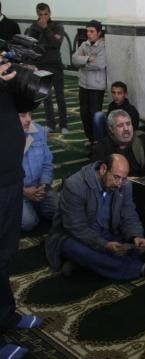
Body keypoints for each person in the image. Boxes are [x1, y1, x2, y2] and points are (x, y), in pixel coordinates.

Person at [45, 154, 145, 282]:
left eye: (123, 179)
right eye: (116, 177)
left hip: (107, 233)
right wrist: (104, 245)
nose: (119, 184)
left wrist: (136, 236)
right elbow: (76, 227)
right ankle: (139, 268)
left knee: (131, 246)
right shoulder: (74, 185)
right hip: (75, 236)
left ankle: (80, 263)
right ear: (103, 169)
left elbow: (129, 215)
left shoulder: (124, 185)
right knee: (79, 250)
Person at [0, 62, 44, 359]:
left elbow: (25, 105)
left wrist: (25, 80)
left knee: (5, 254)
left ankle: (6, 315)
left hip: (10, 177)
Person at [25, 2, 68, 134]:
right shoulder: (33, 28)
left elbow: (56, 43)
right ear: (37, 14)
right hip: (41, 66)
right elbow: (31, 47)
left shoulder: (57, 26)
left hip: (55, 66)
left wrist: (46, 29)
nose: (43, 17)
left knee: (60, 96)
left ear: (50, 13)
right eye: (41, 14)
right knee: (46, 96)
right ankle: (51, 124)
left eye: (46, 14)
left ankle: (63, 125)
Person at [91, 109, 145, 177]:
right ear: (111, 129)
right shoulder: (103, 146)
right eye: (120, 125)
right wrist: (125, 180)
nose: (126, 129)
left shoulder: (141, 138)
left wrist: (141, 180)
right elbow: (96, 172)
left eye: (128, 124)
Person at [20, 111, 58, 231]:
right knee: (28, 223)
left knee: (60, 211)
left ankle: (33, 207)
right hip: (16, 192)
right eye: (23, 115)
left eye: (29, 114)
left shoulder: (39, 130)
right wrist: (23, 191)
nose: (29, 119)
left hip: (40, 187)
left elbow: (47, 163)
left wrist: (44, 184)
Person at [71, 19, 106, 144]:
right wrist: (87, 59)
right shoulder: (84, 45)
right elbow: (74, 59)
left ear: (99, 33)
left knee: (94, 116)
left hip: (96, 87)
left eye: (92, 31)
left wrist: (82, 64)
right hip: (83, 85)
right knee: (84, 115)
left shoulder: (103, 46)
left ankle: (98, 141)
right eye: (87, 31)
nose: (89, 34)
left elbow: (99, 64)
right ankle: (91, 139)